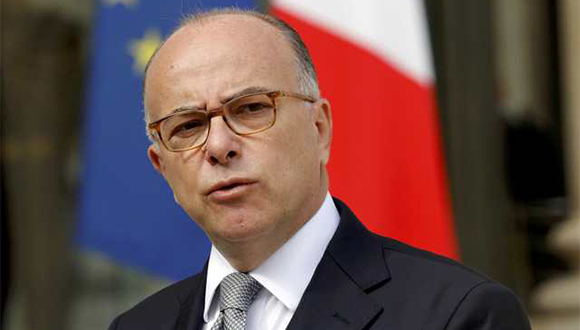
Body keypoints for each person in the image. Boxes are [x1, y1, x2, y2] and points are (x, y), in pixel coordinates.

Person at [109, 8, 531, 330]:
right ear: (162, 167)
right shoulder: (136, 326)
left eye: (252, 108)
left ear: (320, 128)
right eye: (188, 126)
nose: (219, 146)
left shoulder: (458, 315)